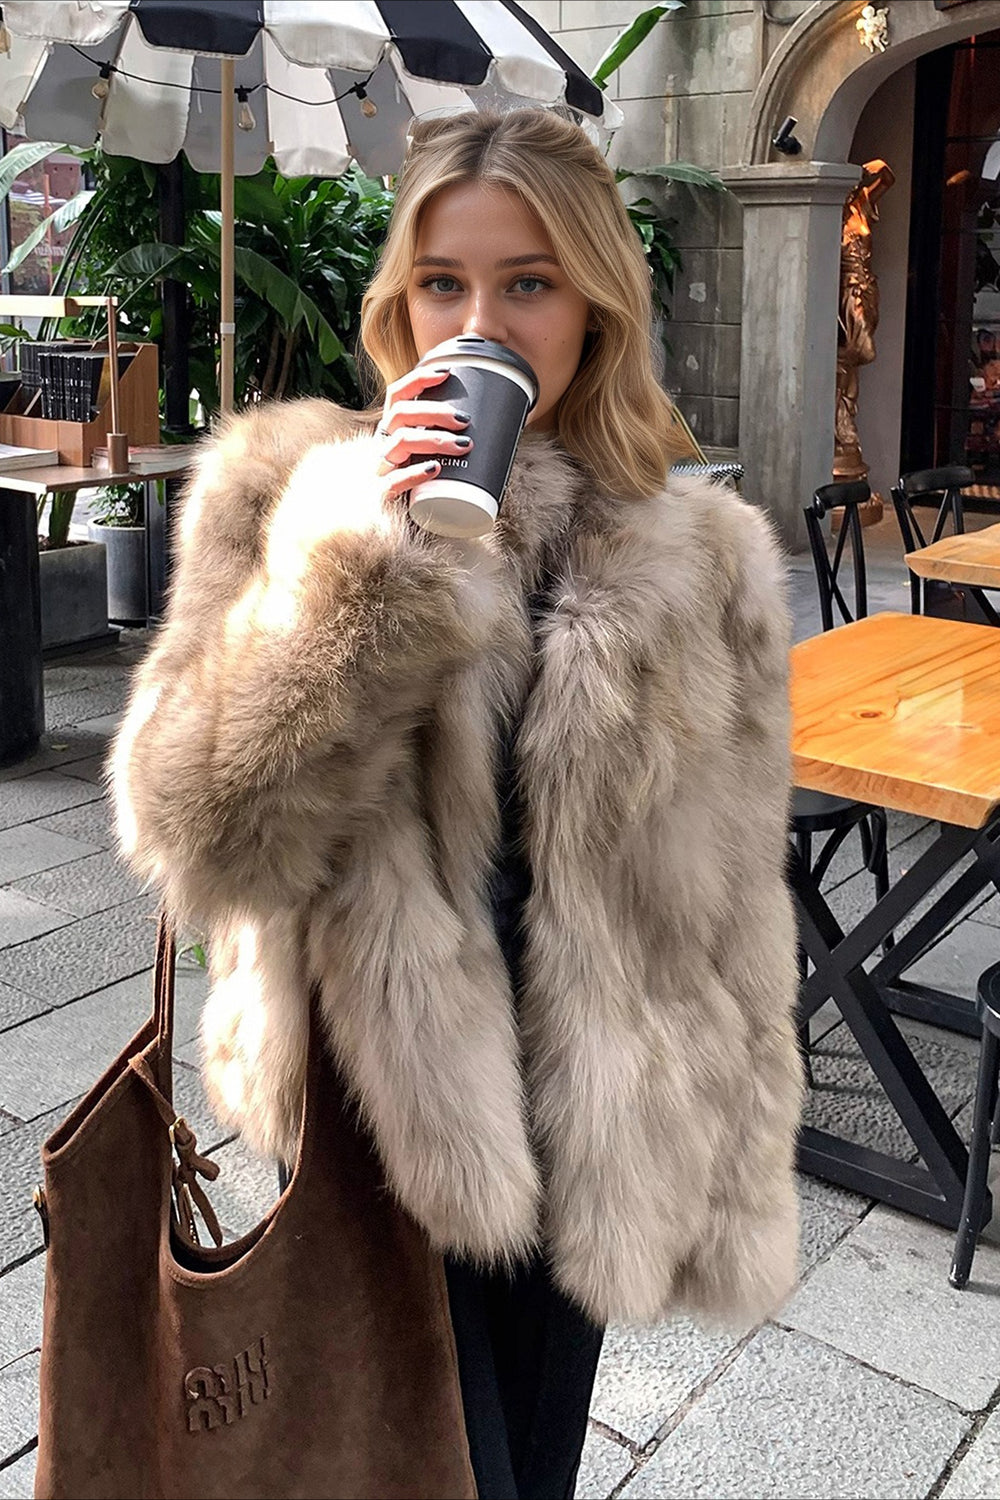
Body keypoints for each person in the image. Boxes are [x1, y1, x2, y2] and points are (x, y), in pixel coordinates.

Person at [111, 108, 802, 1500]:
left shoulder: (706, 554)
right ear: (400, 302)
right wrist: (366, 571)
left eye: (527, 282)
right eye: (443, 283)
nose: (477, 324)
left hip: (595, 1137)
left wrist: (727, 1159)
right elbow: (195, 837)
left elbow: (732, 900)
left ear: (595, 304)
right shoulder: (284, 490)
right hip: (377, 1134)